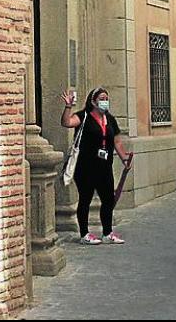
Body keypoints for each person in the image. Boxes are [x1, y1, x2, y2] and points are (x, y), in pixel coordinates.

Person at [61, 87, 132, 245]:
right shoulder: (83, 116)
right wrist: (68, 106)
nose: (105, 101)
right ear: (93, 101)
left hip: (105, 166)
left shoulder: (110, 119)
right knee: (85, 199)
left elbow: (117, 141)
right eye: (101, 98)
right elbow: (66, 122)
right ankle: (84, 234)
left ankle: (107, 232)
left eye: (106, 98)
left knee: (108, 199)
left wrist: (124, 158)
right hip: (85, 167)